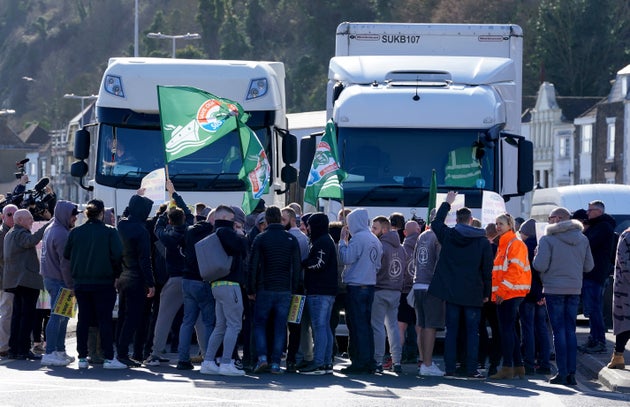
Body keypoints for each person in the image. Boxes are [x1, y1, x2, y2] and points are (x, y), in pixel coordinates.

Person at [428, 191, 493, 380]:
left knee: (452, 331)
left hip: (451, 291)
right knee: (473, 332)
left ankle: (450, 368)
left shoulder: (448, 235)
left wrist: (447, 202)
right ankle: (471, 369)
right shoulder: (482, 242)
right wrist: (486, 293)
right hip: (474, 292)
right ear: (472, 220)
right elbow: (486, 271)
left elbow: (435, 223)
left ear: (457, 219)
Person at [533, 207, 593, 385]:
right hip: (574, 288)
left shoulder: (548, 239)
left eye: (550, 217)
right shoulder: (583, 239)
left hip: (553, 288)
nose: (549, 220)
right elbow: (589, 266)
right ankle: (572, 373)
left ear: (558, 219)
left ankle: (562, 372)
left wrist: (536, 255)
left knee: (558, 331)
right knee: (570, 331)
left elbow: (540, 266)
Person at [64, 199, 127, 369]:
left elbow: (67, 254)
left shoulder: (76, 232)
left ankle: (83, 357)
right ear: (101, 214)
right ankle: (108, 357)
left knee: (83, 320)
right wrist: (116, 274)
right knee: (104, 320)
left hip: (81, 282)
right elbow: (118, 255)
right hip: (104, 282)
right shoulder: (109, 232)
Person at [144, 182, 194, 366]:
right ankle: (207, 354)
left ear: (171, 221)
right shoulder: (191, 232)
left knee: (164, 317)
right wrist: (176, 196)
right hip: (192, 278)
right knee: (198, 319)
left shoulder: (167, 237)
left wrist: (165, 213)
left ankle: (155, 353)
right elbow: (189, 215)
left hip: (174, 279)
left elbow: (158, 228)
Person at [249, 206, 301, 374]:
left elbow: (253, 265)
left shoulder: (260, 238)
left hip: (265, 287)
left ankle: (262, 358)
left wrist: (251, 287)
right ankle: (276, 363)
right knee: (280, 327)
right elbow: (297, 267)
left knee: (259, 324)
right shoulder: (291, 239)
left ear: (267, 220)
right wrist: (294, 288)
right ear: (279, 218)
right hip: (284, 288)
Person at [200, 205, 248, 376]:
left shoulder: (214, 233)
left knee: (220, 326)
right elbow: (242, 248)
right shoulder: (227, 233)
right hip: (231, 285)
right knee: (234, 325)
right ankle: (227, 362)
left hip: (217, 285)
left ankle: (208, 361)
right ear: (228, 218)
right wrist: (242, 235)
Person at [338, 208, 382, 374]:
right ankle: (368, 360)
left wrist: (343, 241)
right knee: (366, 325)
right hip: (369, 285)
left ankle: (359, 362)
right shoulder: (374, 239)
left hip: (356, 286)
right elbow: (377, 265)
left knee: (356, 326)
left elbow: (346, 258)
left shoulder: (358, 239)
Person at [488, 213, 531, 380]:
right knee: (509, 330)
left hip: (510, 293)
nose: (498, 226)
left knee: (506, 330)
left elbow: (514, 270)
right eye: (497, 223)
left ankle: (507, 367)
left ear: (510, 225)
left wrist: (501, 292)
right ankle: (518, 366)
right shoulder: (505, 244)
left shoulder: (514, 244)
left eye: (501, 224)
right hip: (509, 292)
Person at [116, 193, 156, 367]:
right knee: (133, 317)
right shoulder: (142, 230)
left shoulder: (121, 225)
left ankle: (119, 351)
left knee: (123, 315)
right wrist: (151, 283)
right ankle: (124, 353)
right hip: (137, 277)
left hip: (123, 275)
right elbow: (144, 259)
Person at [3, 209, 49, 360]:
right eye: (29, 219)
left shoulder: (10, 233)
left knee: (18, 316)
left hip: (16, 282)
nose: (32, 222)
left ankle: (14, 349)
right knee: (26, 316)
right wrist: (46, 226)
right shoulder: (21, 233)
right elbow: (31, 241)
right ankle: (23, 349)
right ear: (20, 220)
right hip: (26, 281)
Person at [177, 203, 216, 370]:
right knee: (208, 322)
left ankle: (182, 359)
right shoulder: (213, 233)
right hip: (204, 280)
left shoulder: (190, 230)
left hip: (187, 279)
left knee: (187, 321)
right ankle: (208, 359)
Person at [298, 213, 338, 375]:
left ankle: (318, 362)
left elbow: (318, 264)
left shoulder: (321, 242)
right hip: (328, 291)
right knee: (325, 327)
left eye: (309, 225)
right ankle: (326, 362)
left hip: (318, 291)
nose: (307, 228)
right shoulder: (327, 240)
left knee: (319, 327)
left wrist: (304, 264)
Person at [39, 201, 79, 367]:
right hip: (60, 280)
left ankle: (59, 351)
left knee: (62, 317)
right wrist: (71, 285)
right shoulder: (61, 233)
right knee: (57, 316)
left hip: (52, 278)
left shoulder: (52, 228)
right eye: (73, 215)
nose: (75, 218)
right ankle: (50, 353)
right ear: (65, 215)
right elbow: (65, 263)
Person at [580, 200, 616, 354]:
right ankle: (593, 339)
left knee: (594, 309)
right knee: (591, 308)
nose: (587, 213)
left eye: (590, 210)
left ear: (599, 212)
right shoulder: (597, 226)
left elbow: (587, 243)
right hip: (592, 273)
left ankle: (599, 341)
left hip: (595, 274)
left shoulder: (603, 227)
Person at [370, 216, 404, 373]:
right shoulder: (400, 247)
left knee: (378, 326)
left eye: (375, 228)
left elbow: (375, 267)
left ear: (384, 229)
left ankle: (378, 360)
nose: (372, 230)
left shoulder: (379, 245)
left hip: (380, 288)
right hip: (396, 289)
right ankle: (397, 361)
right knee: (393, 327)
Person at [518, 218, 552, 375]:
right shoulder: (543, 246)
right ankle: (545, 363)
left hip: (528, 292)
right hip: (542, 292)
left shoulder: (523, 247)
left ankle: (529, 363)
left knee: (528, 329)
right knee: (542, 329)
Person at [413, 213, 445, 377]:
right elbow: (441, 263)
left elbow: (415, 260)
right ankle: (427, 363)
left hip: (418, 283)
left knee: (423, 325)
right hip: (431, 285)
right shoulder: (438, 237)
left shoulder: (422, 235)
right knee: (430, 326)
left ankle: (424, 361)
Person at [608, 226, 630, 369]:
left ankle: (618, 356)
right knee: (626, 322)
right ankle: (618, 355)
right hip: (626, 288)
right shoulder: (627, 236)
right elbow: (625, 263)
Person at [0, 204, 18, 357]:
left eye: (15, 214)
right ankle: (3, 346)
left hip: (9, 280)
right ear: (3, 216)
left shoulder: (13, 232)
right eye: (9, 214)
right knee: (6, 313)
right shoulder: (3, 234)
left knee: (7, 313)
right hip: (4, 280)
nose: (12, 217)